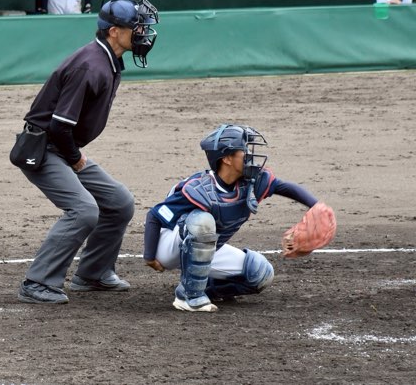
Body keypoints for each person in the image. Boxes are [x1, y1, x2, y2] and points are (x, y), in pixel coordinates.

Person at [16, 0, 159, 304]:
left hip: (61, 147)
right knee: (84, 210)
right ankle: (37, 283)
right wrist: (76, 159)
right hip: (43, 149)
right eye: (136, 27)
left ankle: (93, 273)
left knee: (119, 202)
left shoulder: (107, 60)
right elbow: (59, 125)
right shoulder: (90, 66)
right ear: (114, 32)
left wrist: (73, 156)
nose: (142, 32)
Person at [143, 124, 334, 312]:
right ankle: (188, 296)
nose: (249, 156)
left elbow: (284, 187)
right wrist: (150, 257)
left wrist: (316, 206)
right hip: (170, 246)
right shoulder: (199, 189)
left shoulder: (251, 182)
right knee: (202, 222)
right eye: (244, 151)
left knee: (260, 273)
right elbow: (154, 216)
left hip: (207, 249)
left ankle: (205, 287)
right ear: (226, 158)